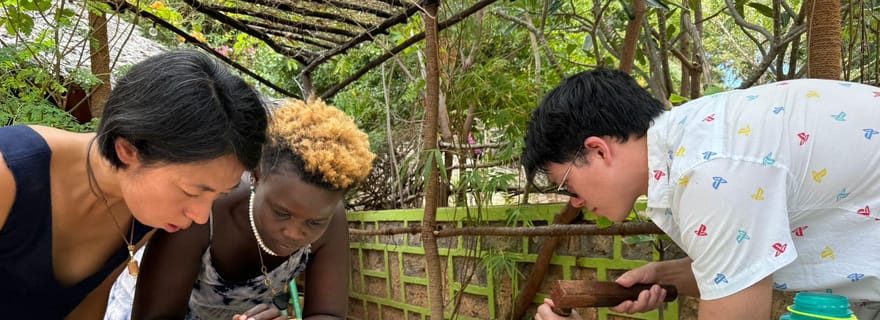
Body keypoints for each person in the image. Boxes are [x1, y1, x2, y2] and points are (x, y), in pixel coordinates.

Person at [522, 68, 880, 320]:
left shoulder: (707, 172)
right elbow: (752, 261)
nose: (575, 202)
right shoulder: (701, 141)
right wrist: (665, 275)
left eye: (567, 184)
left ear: (599, 151)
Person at [0, 49, 268, 318]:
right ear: (128, 150)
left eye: (218, 195)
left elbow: (84, 309)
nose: (199, 216)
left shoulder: (141, 213)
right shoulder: (9, 174)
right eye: (191, 191)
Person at [103, 98, 375, 320]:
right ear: (256, 175)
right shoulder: (205, 214)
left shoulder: (330, 219)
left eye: (314, 224)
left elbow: (328, 313)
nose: (294, 233)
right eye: (281, 213)